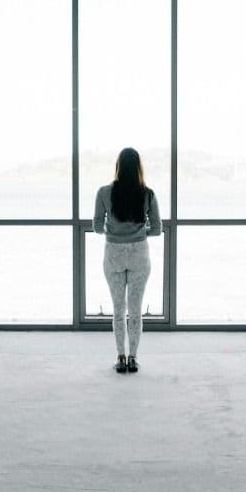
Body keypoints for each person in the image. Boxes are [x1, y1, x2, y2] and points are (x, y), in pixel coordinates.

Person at [93, 147, 161, 373]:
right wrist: (139, 232)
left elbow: (96, 227)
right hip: (139, 253)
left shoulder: (103, 193)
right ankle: (133, 358)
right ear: (138, 168)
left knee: (118, 308)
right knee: (135, 308)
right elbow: (157, 229)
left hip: (113, 252)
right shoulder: (148, 194)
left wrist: (112, 230)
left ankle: (120, 358)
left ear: (118, 167)